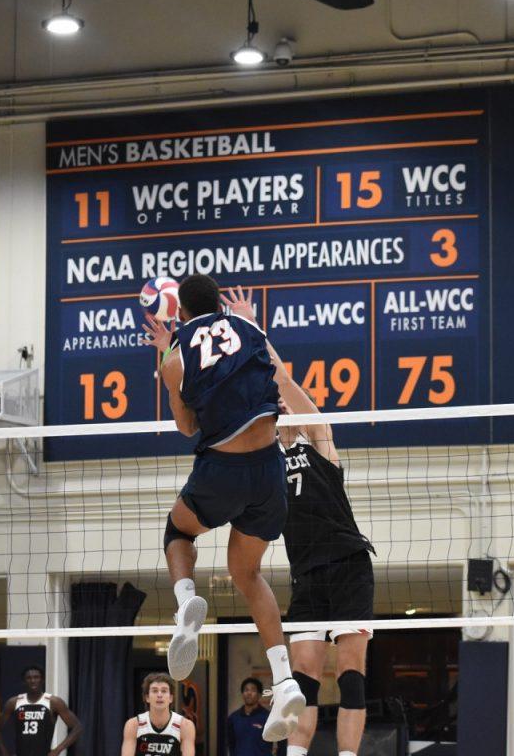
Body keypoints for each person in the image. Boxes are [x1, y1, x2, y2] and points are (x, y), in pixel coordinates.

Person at [142, 274, 303, 741]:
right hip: (269, 470)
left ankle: (186, 599)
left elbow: (187, 427)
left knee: (178, 532)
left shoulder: (176, 354)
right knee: (248, 574)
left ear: (181, 313)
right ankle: (284, 678)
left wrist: (166, 356)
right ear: (220, 304)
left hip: (224, 470)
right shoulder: (253, 332)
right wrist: (253, 322)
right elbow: (280, 380)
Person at [271, 365, 375, 756]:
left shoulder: (319, 445)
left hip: (348, 563)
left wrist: (254, 331)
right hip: (306, 574)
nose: (283, 408)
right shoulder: (266, 467)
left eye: (286, 405)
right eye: (276, 407)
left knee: (351, 676)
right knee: (304, 681)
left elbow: (286, 383)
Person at [0, 666, 81, 756]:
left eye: (36, 677)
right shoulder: (14, 702)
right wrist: (4, 752)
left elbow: (77, 727)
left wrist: (57, 750)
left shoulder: (53, 702)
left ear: (42, 680)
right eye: (29, 678)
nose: (33, 680)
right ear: (24, 681)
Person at [121, 673, 195, 756]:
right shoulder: (133, 725)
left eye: (164, 691)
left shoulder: (185, 726)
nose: (159, 695)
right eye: (155, 691)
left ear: (171, 698)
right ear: (147, 698)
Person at [226, 678, 272, 756]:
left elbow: (279, 743)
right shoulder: (234, 718)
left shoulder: (268, 717)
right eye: (246, 690)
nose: (249, 693)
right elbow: (231, 744)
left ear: (259, 695)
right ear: (242, 694)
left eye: (253, 690)